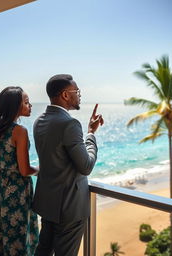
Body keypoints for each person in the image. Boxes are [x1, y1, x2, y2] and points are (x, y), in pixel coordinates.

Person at [33, 74, 104, 256]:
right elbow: (86, 166)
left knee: (43, 252)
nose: (79, 95)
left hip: (48, 204)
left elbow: (55, 160)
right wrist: (91, 135)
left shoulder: (39, 121)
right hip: (70, 209)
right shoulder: (70, 124)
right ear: (65, 95)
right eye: (76, 91)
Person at [0, 86, 39, 256]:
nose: (30, 105)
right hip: (16, 188)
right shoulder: (19, 131)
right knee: (17, 235)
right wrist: (41, 170)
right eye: (26, 102)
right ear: (15, 107)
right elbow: (24, 170)